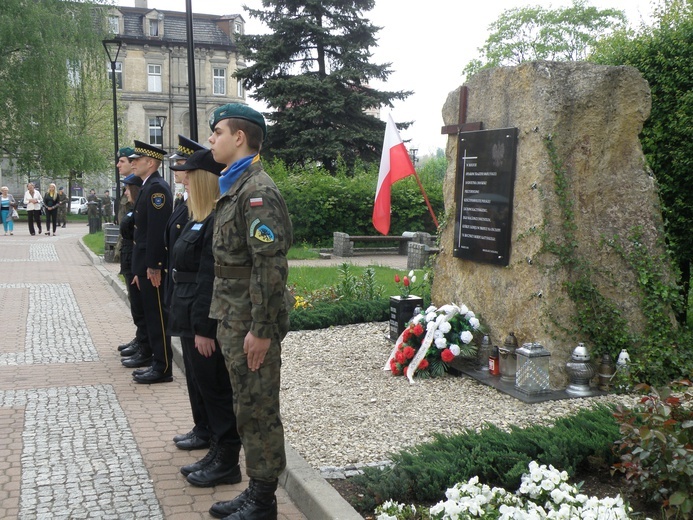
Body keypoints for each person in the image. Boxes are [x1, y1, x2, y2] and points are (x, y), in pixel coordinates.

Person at [207, 104, 294, 519]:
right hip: (234, 314)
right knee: (246, 404)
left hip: (250, 321)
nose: (211, 139)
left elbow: (270, 265)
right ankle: (256, 488)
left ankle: (263, 502)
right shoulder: (235, 187)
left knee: (258, 409)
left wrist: (261, 329)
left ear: (239, 137)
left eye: (217, 132)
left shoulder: (257, 191)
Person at [168, 148, 242, 487]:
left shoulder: (213, 220)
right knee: (206, 387)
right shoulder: (199, 216)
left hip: (203, 319)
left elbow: (208, 278)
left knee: (215, 390)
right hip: (188, 310)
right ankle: (216, 450)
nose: (183, 180)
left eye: (189, 177)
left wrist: (203, 327)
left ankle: (226, 460)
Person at [165, 135, 210, 451]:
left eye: (186, 168)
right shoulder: (187, 204)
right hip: (183, 296)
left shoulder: (206, 211)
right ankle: (201, 427)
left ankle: (209, 433)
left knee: (206, 378)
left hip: (196, 300)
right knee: (195, 375)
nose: (181, 173)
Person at [128, 140, 173, 384]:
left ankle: (163, 366)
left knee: (157, 317)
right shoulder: (148, 187)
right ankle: (158, 361)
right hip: (145, 264)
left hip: (152, 266)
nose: (132, 163)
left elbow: (156, 232)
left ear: (151, 163)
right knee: (151, 315)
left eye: (137, 160)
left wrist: (154, 265)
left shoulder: (157, 189)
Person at [117, 173, 151, 370]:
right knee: (136, 306)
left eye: (129, 189)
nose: (126, 192)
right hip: (130, 258)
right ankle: (141, 341)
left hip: (136, 260)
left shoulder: (139, 207)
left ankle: (145, 347)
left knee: (141, 308)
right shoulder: (132, 207)